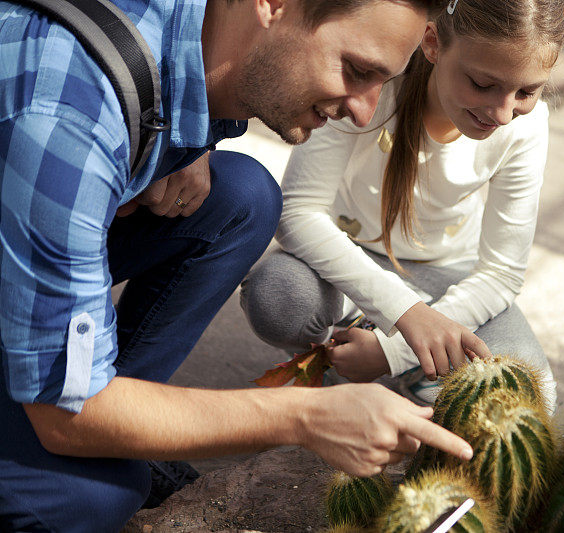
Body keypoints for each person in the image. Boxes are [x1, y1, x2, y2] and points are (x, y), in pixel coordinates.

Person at [0, 0, 476, 531]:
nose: (366, 111)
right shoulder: (71, 115)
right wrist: (305, 417)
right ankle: (95, 430)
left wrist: (182, 145)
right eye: (357, 71)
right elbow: (65, 421)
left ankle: (122, 421)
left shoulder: (212, 44)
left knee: (245, 199)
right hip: (35, 205)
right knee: (85, 501)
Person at [240, 0, 564, 412]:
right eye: (483, 85)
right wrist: (405, 315)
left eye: (526, 91)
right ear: (432, 44)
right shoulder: (372, 85)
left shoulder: (527, 125)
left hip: (446, 280)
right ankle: (356, 356)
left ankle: (385, 361)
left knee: (533, 397)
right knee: (279, 296)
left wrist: (391, 351)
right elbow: (298, 213)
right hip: (347, 267)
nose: (503, 113)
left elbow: (501, 273)